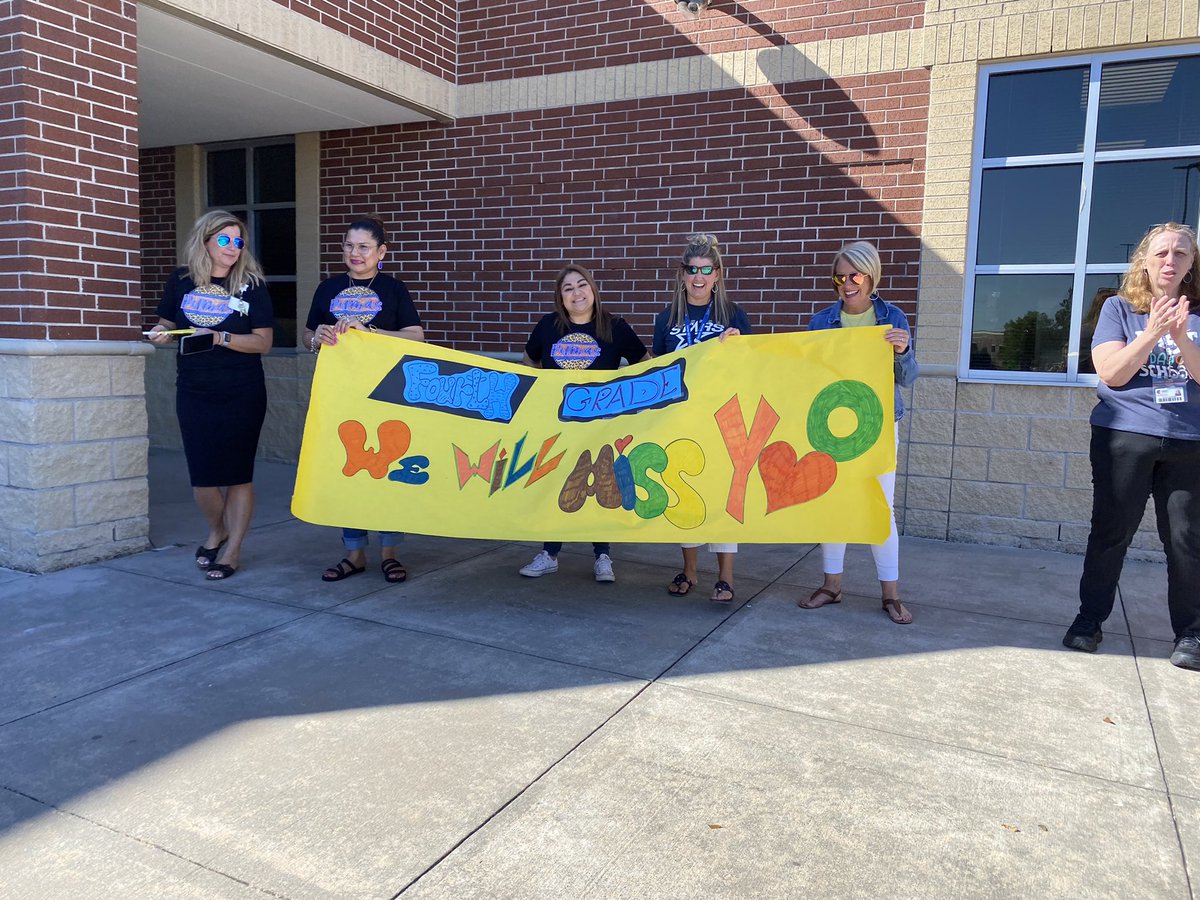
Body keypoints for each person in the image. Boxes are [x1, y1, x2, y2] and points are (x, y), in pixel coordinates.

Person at [1063, 222, 1200, 671]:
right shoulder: (1118, 308)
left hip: (1189, 442)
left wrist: (1181, 337)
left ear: (1191, 263)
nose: (1170, 261)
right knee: (1111, 532)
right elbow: (1112, 373)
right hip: (1125, 437)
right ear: (1144, 260)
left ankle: (1191, 634)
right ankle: (1089, 621)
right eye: (1161, 252)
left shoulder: (1198, 314)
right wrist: (1153, 332)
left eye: (1180, 253)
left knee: (1186, 540)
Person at [147, 211, 275, 580]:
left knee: (238, 474)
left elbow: (263, 342)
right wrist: (159, 332)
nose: (233, 247)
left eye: (238, 241)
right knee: (203, 477)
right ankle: (218, 529)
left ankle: (232, 550)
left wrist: (221, 337)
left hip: (242, 391)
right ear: (205, 240)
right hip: (194, 388)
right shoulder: (181, 281)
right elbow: (167, 323)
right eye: (224, 239)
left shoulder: (251, 286)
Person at [799, 240, 919, 624]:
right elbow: (804, 375)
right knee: (833, 502)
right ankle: (831, 586)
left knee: (881, 506)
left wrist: (902, 352)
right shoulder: (821, 322)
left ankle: (891, 595)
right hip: (830, 424)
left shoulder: (892, 317)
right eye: (840, 277)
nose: (847, 284)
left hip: (879, 425)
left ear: (871, 276)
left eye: (855, 275)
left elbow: (908, 379)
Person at [303, 216, 425, 585]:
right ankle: (353, 553)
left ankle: (389, 553)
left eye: (364, 247)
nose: (355, 253)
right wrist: (316, 336)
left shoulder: (393, 289)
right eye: (349, 245)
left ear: (381, 251)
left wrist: (369, 331)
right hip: (341, 392)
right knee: (348, 468)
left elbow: (416, 337)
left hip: (387, 394)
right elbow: (307, 336)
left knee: (387, 469)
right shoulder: (328, 288)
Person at [518, 264, 648, 583]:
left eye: (581, 285)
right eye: (568, 288)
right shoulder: (547, 326)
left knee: (603, 484)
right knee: (556, 484)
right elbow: (529, 361)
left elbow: (644, 364)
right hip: (558, 424)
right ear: (560, 298)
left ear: (592, 289)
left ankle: (603, 555)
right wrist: (540, 392)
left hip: (601, 425)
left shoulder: (615, 327)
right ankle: (549, 554)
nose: (576, 293)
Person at [653, 233, 751, 603]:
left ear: (717, 274)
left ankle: (725, 576)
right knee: (684, 493)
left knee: (724, 495)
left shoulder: (733, 315)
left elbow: (751, 368)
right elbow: (659, 369)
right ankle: (690, 570)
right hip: (682, 419)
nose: (698, 277)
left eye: (706, 270)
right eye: (692, 270)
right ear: (682, 274)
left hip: (723, 418)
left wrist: (739, 347)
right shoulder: (666, 318)